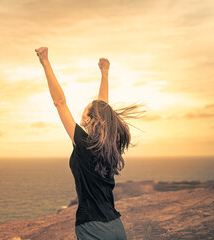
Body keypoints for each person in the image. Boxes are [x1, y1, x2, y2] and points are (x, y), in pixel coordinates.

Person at [35, 47, 146, 240]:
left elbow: (59, 102)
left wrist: (45, 62)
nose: (81, 115)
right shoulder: (110, 145)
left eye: (84, 112)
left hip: (93, 228)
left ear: (89, 120)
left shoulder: (84, 144)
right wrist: (104, 73)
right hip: (116, 227)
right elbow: (103, 109)